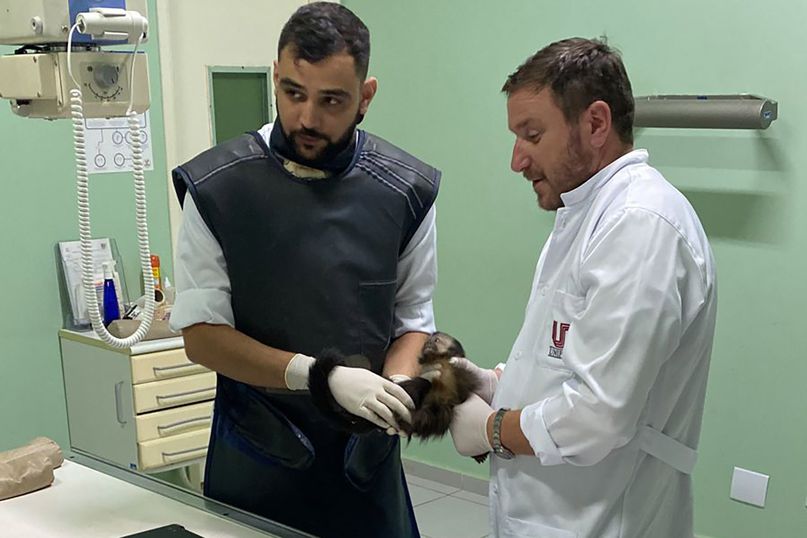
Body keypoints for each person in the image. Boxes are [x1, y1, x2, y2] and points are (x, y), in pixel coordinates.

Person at [169, 4, 440, 537]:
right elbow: (202, 337)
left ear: (366, 96)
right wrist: (320, 376)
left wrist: (398, 387)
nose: (307, 119)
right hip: (257, 457)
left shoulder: (406, 191)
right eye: (293, 93)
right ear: (275, 76)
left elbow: (413, 319)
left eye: (331, 100)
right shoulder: (219, 189)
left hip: (365, 462)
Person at [448, 38, 717, 538]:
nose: (517, 160)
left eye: (532, 135)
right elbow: (569, 358)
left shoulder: (639, 224)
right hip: (553, 512)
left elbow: (599, 415)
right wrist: (495, 384)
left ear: (595, 124)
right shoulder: (586, 215)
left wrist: (491, 429)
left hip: (603, 518)